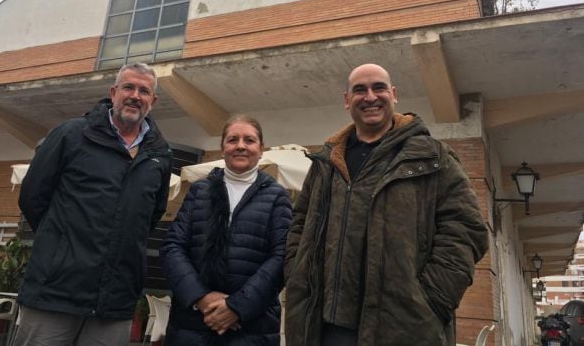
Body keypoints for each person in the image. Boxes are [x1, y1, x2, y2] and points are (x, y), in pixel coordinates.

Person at [284, 63, 488, 346]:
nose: (370, 97)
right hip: (323, 327)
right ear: (347, 100)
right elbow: (300, 222)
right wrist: (297, 271)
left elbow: (466, 230)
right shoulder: (327, 162)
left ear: (393, 95)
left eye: (378, 87)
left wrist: (433, 298)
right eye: (360, 90)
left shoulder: (432, 156)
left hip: (403, 328)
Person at [15, 62, 172, 346]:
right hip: (55, 291)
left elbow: (151, 216)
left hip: (115, 300)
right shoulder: (71, 134)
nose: (135, 95)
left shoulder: (160, 155)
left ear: (153, 101)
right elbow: (32, 197)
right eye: (128, 87)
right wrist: (61, 245)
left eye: (144, 90)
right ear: (113, 92)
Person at [161, 115, 292, 345]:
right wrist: (202, 298)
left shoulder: (277, 196)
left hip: (252, 326)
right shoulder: (199, 191)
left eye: (249, 140)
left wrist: (237, 307)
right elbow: (173, 246)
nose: (240, 145)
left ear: (261, 149)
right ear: (223, 148)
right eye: (233, 139)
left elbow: (281, 257)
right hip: (192, 324)